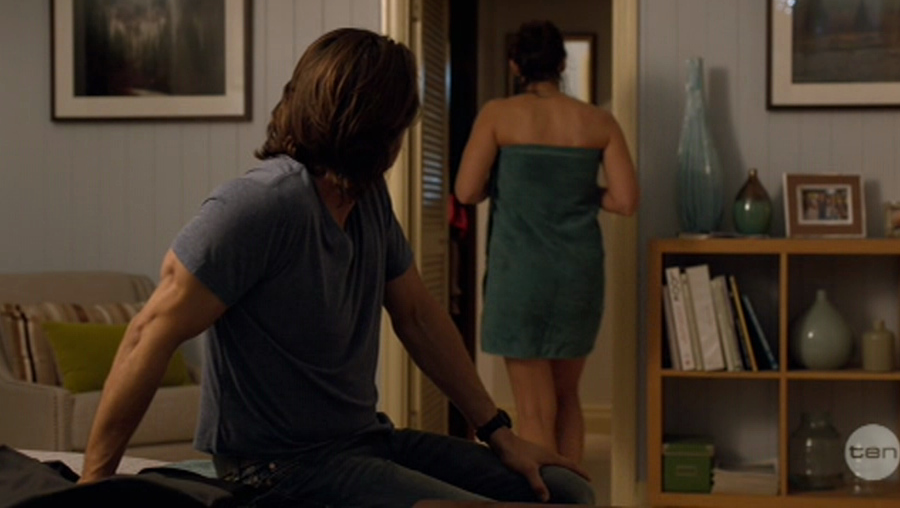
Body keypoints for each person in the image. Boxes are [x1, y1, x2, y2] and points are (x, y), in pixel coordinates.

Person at [78, 27, 595, 507]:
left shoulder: (369, 198)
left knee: (565, 491)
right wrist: (91, 486)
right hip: (274, 468)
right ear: (377, 130)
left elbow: (417, 316)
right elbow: (148, 334)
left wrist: (498, 432)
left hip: (363, 440)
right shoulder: (259, 206)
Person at [454, 20, 639, 465]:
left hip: (520, 277)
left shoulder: (498, 115)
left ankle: (544, 497)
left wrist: (511, 186)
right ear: (561, 63)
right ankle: (574, 494)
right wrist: (579, 192)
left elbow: (466, 190)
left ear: (515, 65)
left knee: (535, 409)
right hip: (577, 276)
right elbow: (625, 200)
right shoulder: (598, 121)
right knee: (568, 397)